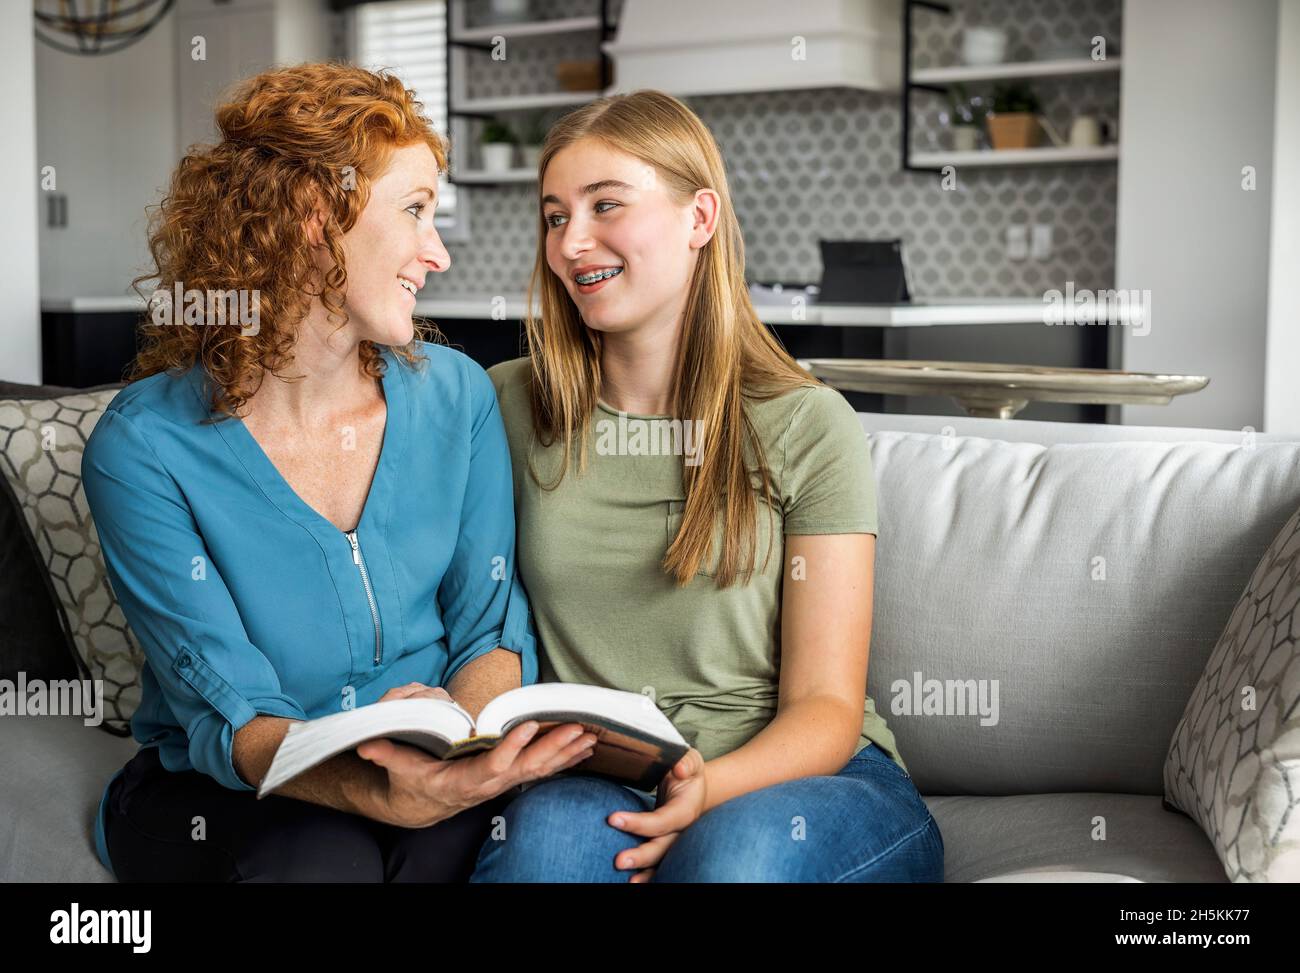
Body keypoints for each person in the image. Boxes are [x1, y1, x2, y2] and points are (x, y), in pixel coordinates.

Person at [82, 62, 596, 883]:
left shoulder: (455, 396)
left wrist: (454, 752)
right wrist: (378, 790)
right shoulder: (144, 447)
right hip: (235, 784)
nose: (438, 255)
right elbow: (236, 717)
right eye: (417, 211)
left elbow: (490, 628)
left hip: (431, 754)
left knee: (487, 845)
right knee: (322, 860)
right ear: (318, 216)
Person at [471, 90, 944, 882]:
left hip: (803, 778)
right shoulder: (508, 405)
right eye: (554, 216)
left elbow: (826, 707)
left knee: (731, 862)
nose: (572, 242)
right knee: (537, 860)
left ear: (699, 219)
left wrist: (703, 793)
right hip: (600, 774)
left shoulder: (806, 423)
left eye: (605, 204)